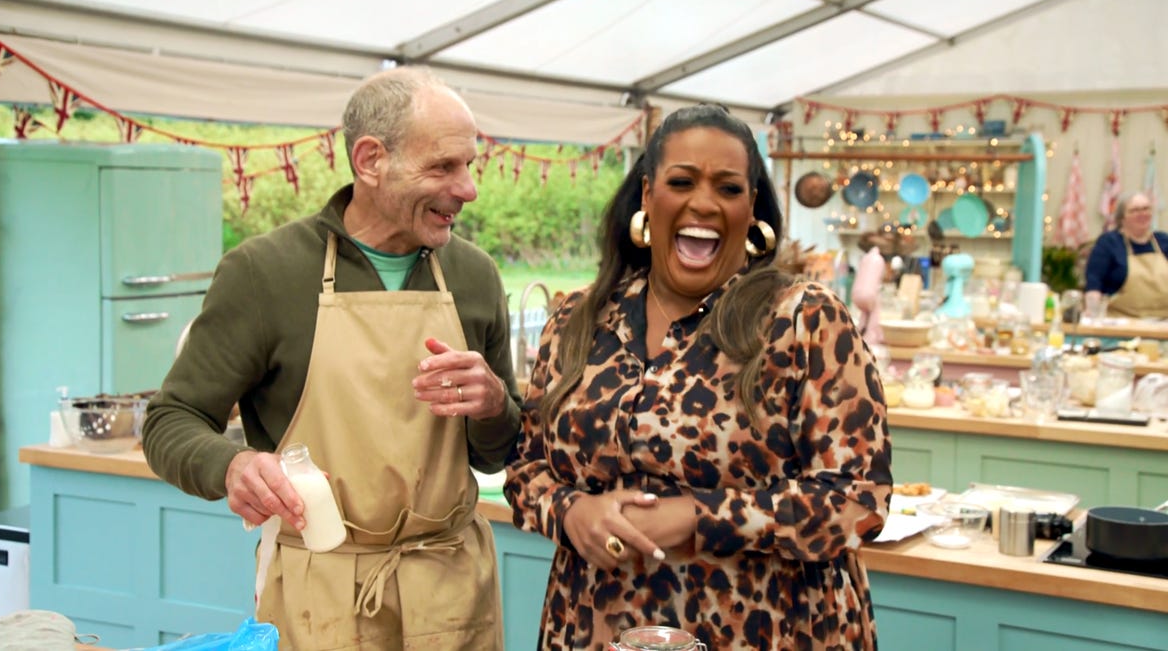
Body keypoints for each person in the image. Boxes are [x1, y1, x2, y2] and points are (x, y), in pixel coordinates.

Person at [142, 66, 522, 649]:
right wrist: (231, 465)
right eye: (443, 166)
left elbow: (496, 456)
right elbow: (171, 420)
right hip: (319, 599)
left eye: (469, 165)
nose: (467, 188)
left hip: (450, 592)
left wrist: (495, 406)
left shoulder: (474, 276)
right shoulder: (265, 273)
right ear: (370, 160)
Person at [504, 104, 892, 650]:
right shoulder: (578, 321)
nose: (704, 203)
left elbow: (859, 499)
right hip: (596, 626)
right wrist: (571, 512)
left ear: (751, 205)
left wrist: (696, 516)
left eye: (728, 189)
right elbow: (525, 470)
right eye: (681, 181)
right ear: (647, 196)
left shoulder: (804, 321)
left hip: (767, 628)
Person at [1084, 191, 1168, 319]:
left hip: (1163, 324)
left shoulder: (1163, 241)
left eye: (1146, 208)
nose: (1142, 214)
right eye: (1135, 210)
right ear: (1122, 218)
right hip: (1121, 323)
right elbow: (1094, 282)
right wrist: (1093, 315)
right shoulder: (1109, 242)